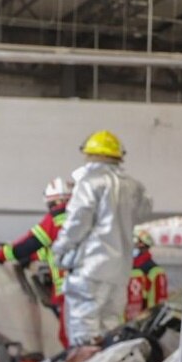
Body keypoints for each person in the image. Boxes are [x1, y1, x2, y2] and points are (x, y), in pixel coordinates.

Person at [52, 130, 153, 347]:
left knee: (84, 332)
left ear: (90, 154)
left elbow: (78, 220)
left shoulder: (90, 182)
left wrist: (60, 250)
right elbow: (144, 212)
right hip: (119, 271)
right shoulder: (134, 187)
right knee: (111, 329)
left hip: (90, 269)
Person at [0, 176, 74, 347]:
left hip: (70, 290)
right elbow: (55, 249)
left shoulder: (57, 218)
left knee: (70, 337)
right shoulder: (86, 219)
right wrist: (31, 258)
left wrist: (2, 254)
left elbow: (31, 242)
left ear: (56, 202)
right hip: (92, 287)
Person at [125, 231, 168, 321]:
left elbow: (157, 300)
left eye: (136, 244)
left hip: (144, 318)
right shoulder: (131, 267)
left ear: (144, 246)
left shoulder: (152, 270)